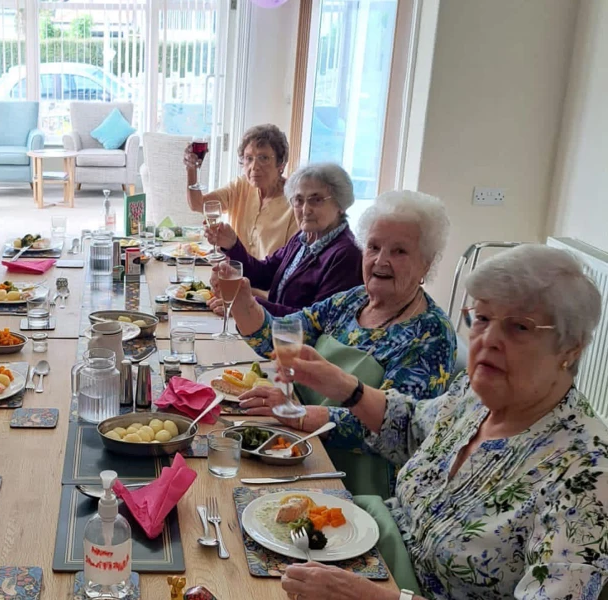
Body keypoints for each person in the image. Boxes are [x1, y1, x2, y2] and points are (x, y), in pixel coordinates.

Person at [278, 245, 607, 600]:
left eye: (519, 327)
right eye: (481, 318)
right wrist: (339, 383)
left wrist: (373, 598)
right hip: (358, 551)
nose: (489, 340)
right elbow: (410, 427)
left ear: (571, 347)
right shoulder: (475, 394)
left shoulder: (586, 473)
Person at [228, 190, 456, 496]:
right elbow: (286, 338)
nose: (381, 260)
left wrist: (299, 414)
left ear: (426, 264)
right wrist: (244, 304)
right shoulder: (353, 300)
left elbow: (398, 429)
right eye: (373, 247)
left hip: (351, 484)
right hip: (294, 448)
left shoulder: (431, 335)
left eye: (399, 251)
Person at [205, 162, 362, 317]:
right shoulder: (303, 239)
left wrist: (249, 304)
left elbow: (318, 321)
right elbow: (264, 274)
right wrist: (232, 244)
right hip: (272, 332)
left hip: (296, 340)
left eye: (316, 200)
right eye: (299, 200)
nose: (305, 210)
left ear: (340, 204)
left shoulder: (347, 255)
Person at [184, 124, 297, 260]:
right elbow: (198, 204)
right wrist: (191, 169)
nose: (254, 167)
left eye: (264, 158)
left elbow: (290, 262)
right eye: (248, 158)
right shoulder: (241, 186)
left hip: (266, 280)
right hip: (232, 274)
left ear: (281, 164)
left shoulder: (295, 202)